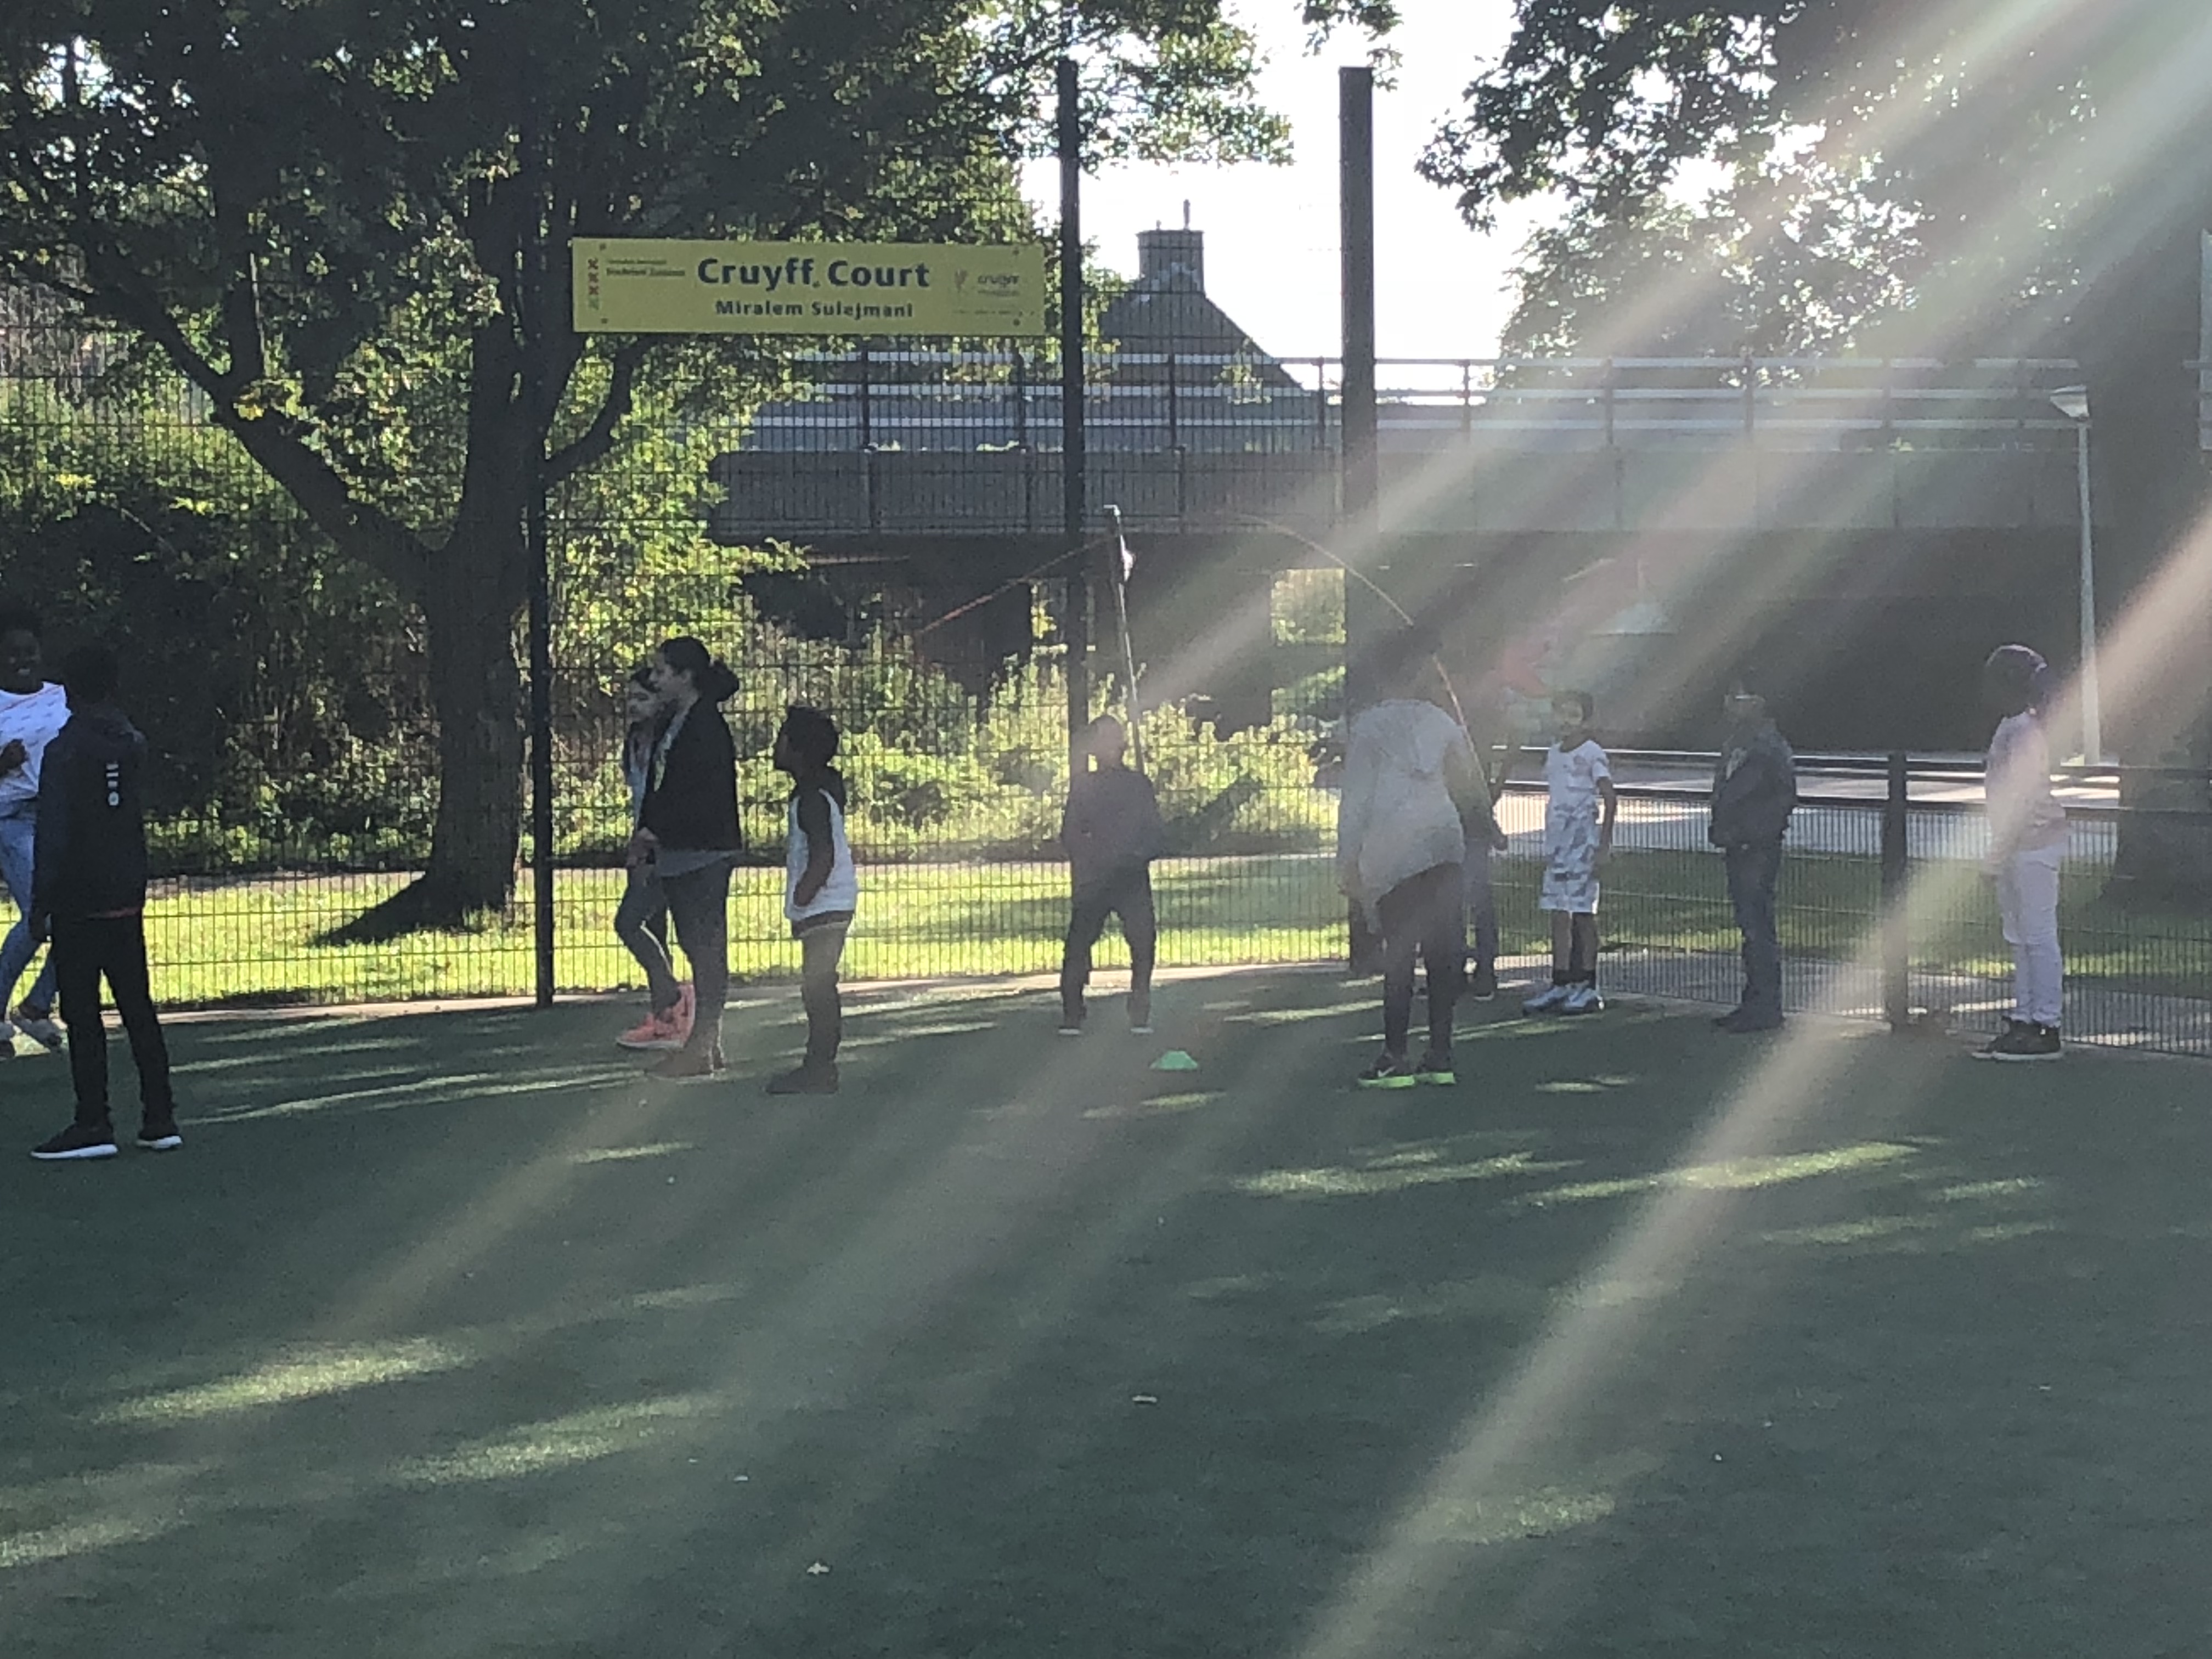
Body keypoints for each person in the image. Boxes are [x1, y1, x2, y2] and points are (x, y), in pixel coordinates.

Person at [26, 644, 180, 1160]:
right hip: (125, 893)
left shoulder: (65, 751)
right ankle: (160, 1118)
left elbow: (55, 832)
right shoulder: (132, 744)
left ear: (69, 689)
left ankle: (93, 1121)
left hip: (77, 899)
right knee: (138, 1005)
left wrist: (41, 900)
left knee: (83, 1012)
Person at [1338, 633, 1499, 1087]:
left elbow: (1356, 801)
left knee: (1400, 954)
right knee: (1443, 952)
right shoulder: (1442, 722)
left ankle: (1394, 1055)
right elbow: (1469, 783)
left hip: (1393, 846)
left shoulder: (1369, 727)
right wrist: (1487, 824)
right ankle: (1441, 1053)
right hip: (1442, 841)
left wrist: (1347, 859)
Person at [631, 637, 743, 1081]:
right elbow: (661, 786)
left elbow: (698, 794)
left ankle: (703, 1045)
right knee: (696, 947)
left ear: (685, 676)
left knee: (707, 949)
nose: (655, 680)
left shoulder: (705, 726)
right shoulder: (675, 722)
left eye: (661, 672)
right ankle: (705, 1044)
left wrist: (655, 831)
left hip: (704, 852)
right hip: (680, 852)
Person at [1975, 644, 2067, 1061]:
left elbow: (2022, 801)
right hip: (2019, 845)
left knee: (2037, 936)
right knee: (2020, 937)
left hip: (2032, 845)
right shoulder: (2014, 726)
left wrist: (1995, 857)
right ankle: (2025, 1015)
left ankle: (2046, 1024)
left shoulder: (2025, 732)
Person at [1058, 714, 1167, 1037]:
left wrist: (1138, 854)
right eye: (1101, 741)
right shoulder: (1084, 786)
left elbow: (1155, 832)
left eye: (1113, 739)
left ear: (1122, 745)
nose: (1108, 747)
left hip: (1131, 875)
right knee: (1079, 943)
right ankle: (1072, 1013)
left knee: (1143, 940)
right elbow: (1071, 833)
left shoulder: (1138, 785)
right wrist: (1091, 858)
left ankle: (1140, 1010)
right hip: (1095, 877)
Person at [770, 705, 857, 1094]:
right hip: (831, 904)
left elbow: (823, 854)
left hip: (825, 905)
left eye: (782, 738)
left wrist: (804, 894)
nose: (776, 746)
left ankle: (820, 1066)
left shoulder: (811, 799)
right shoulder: (822, 787)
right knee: (818, 985)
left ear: (798, 750)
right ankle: (820, 1064)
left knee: (818, 986)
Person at [1708, 674, 1798, 1032]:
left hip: (1756, 846)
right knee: (1749, 925)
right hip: (1737, 842)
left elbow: (1783, 797)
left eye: (1739, 698)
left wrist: (1753, 833)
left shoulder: (1769, 745)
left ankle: (1767, 1006)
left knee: (1759, 925)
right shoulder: (1737, 743)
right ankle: (1753, 1001)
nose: (1731, 704)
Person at [611, 664, 693, 1051]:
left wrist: (650, 840)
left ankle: (675, 999)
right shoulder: (634, 741)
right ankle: (665, 1017)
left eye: (642, 697)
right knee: (652, 928)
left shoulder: (669, 742)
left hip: (664, 846)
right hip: (645, 843)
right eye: (629, 698)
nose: (633, 705)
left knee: (629, 922)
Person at [0, 605, 68, 1057]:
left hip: (63, 817)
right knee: (40, 919)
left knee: (80, 921)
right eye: (12, 654)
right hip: (13, 818)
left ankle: (36, 1006)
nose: (23, 660)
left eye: (30, 651)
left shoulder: (61, 697)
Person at [1523, 690, 1616, 1017]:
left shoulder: (1592, 753)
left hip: (1583, 844)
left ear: (1585, 720)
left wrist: (1603, 844)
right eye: (1561, 713)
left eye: (1573, 715)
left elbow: (1609, 797)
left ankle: (1588, 984)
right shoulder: (1553, 754)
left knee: (1583, 912)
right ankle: (1560, 980)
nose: (1565, 721)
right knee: (1558, 912)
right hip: (1558, 846)